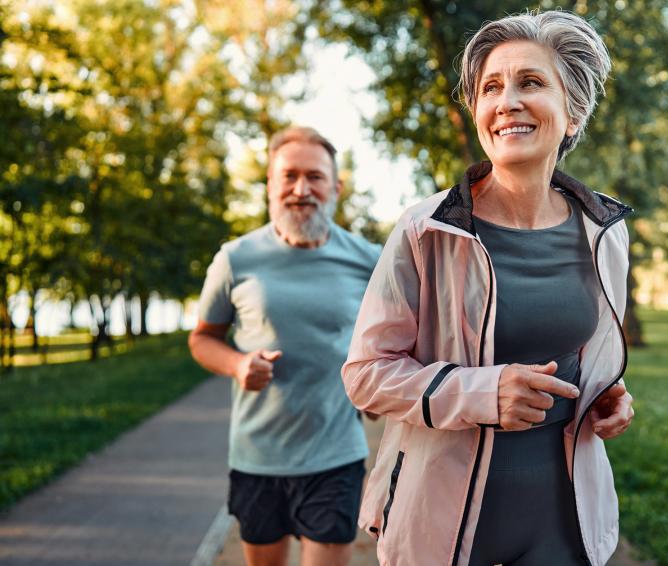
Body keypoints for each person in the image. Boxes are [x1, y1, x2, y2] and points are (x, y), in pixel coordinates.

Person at [342, 10, 635, 566]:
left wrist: (608, 393)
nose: (507, 101)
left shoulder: (604, 233)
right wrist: (482, 392)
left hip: (563, 519)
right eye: (491, 88)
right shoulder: (425, 230)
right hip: (440, 523)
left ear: (572, 113)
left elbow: (584, 351)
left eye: (531, 82)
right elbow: (365, 375)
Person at [188, 126, 380, 566]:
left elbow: (391, 339)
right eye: (288, 176)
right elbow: (202, 339)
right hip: (258, 458)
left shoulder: (370, 259)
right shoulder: (235, 259)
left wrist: (378, 385)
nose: (301, 189)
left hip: (336, 455)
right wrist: (237, 365)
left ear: (336, 187)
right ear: (271, 186)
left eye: (314, 176)